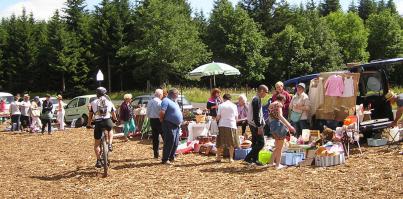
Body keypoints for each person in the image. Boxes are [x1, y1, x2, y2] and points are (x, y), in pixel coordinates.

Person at [87, 87, 118, 168]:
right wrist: (115, 119)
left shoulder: (93, 102)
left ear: (97, 94)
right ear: (105, 94)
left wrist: (89, 124)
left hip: (98, 123)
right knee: (110, 129)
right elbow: (113, 113)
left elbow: (90, 116)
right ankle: (110, 144)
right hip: (107, 121)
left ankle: (98, 161)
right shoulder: (109, 102)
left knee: (96, 145)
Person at [269, 94, 296, 170]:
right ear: (283, 100)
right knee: (280, 147)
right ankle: (278, 165)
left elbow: (273, 117)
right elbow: (280, 116)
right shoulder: (279, 104)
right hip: (278, 126)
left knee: (277, 146)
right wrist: (289, 126)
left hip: (272, 125)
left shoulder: (271, 104)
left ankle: (271, 162)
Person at [244, 85, 269, 165]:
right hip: (255, 124)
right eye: (266, 92)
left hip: (253, 123)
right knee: (261, 143)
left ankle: (255, 159)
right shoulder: (256, 100)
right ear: (261, 91)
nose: (266, 94)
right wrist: (259, 126)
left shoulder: (256, 99)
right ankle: (248, 158)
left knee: (255, 142)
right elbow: (256, 115)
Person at [160, 88, 183, 165]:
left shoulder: (174, 101)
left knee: (175, 142)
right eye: (177, 94)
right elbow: (162, 112)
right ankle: (165, 159)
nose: (178, 95)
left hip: (176, 125)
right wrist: (162, 120)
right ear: (174, 94)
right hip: (168, 124)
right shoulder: (166, 100)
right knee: (169, 141)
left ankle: (171, 157)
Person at [216, 94, 239, 163]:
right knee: (231, 142)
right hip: (231, 125)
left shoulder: (221, 105)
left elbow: (218, 117)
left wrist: (215, 120)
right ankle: (231, 158)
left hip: (222, 125)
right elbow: (236, 118)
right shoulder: (234, 106)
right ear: (230, 99)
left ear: (224, 99)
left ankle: (218, 157)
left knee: (220, 141)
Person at [147, 89, 164, 158]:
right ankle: (166, 154)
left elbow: (147, 112)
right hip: (159, 120)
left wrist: (150, 117)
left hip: (152, 120)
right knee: (164, 137)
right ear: (160, 95)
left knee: (155, 138)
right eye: (162, 95)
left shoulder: (150, 101)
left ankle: (156, 154)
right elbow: (162, 113)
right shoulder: (160, 102)